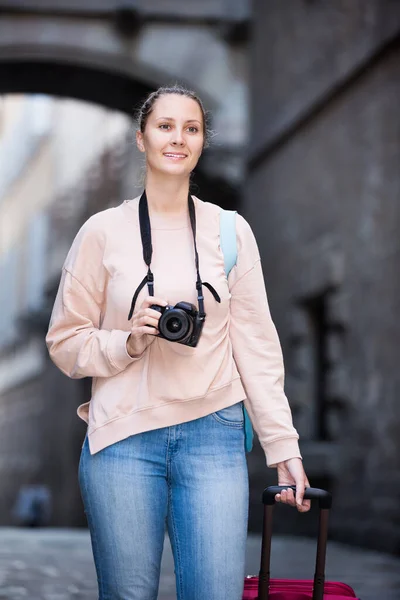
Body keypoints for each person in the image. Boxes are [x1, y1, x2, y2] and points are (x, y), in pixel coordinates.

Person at [45, 85, 311, 600]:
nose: (178, 138)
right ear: (141, 138)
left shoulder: (231, 232)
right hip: (122, 438)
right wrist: (128, 342)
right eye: (164, 126)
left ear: (202, 142)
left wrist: (284, 447)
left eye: (191, 128)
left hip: (214, 435)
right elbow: (64, 343)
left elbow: (257, 347)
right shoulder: (101, 232)